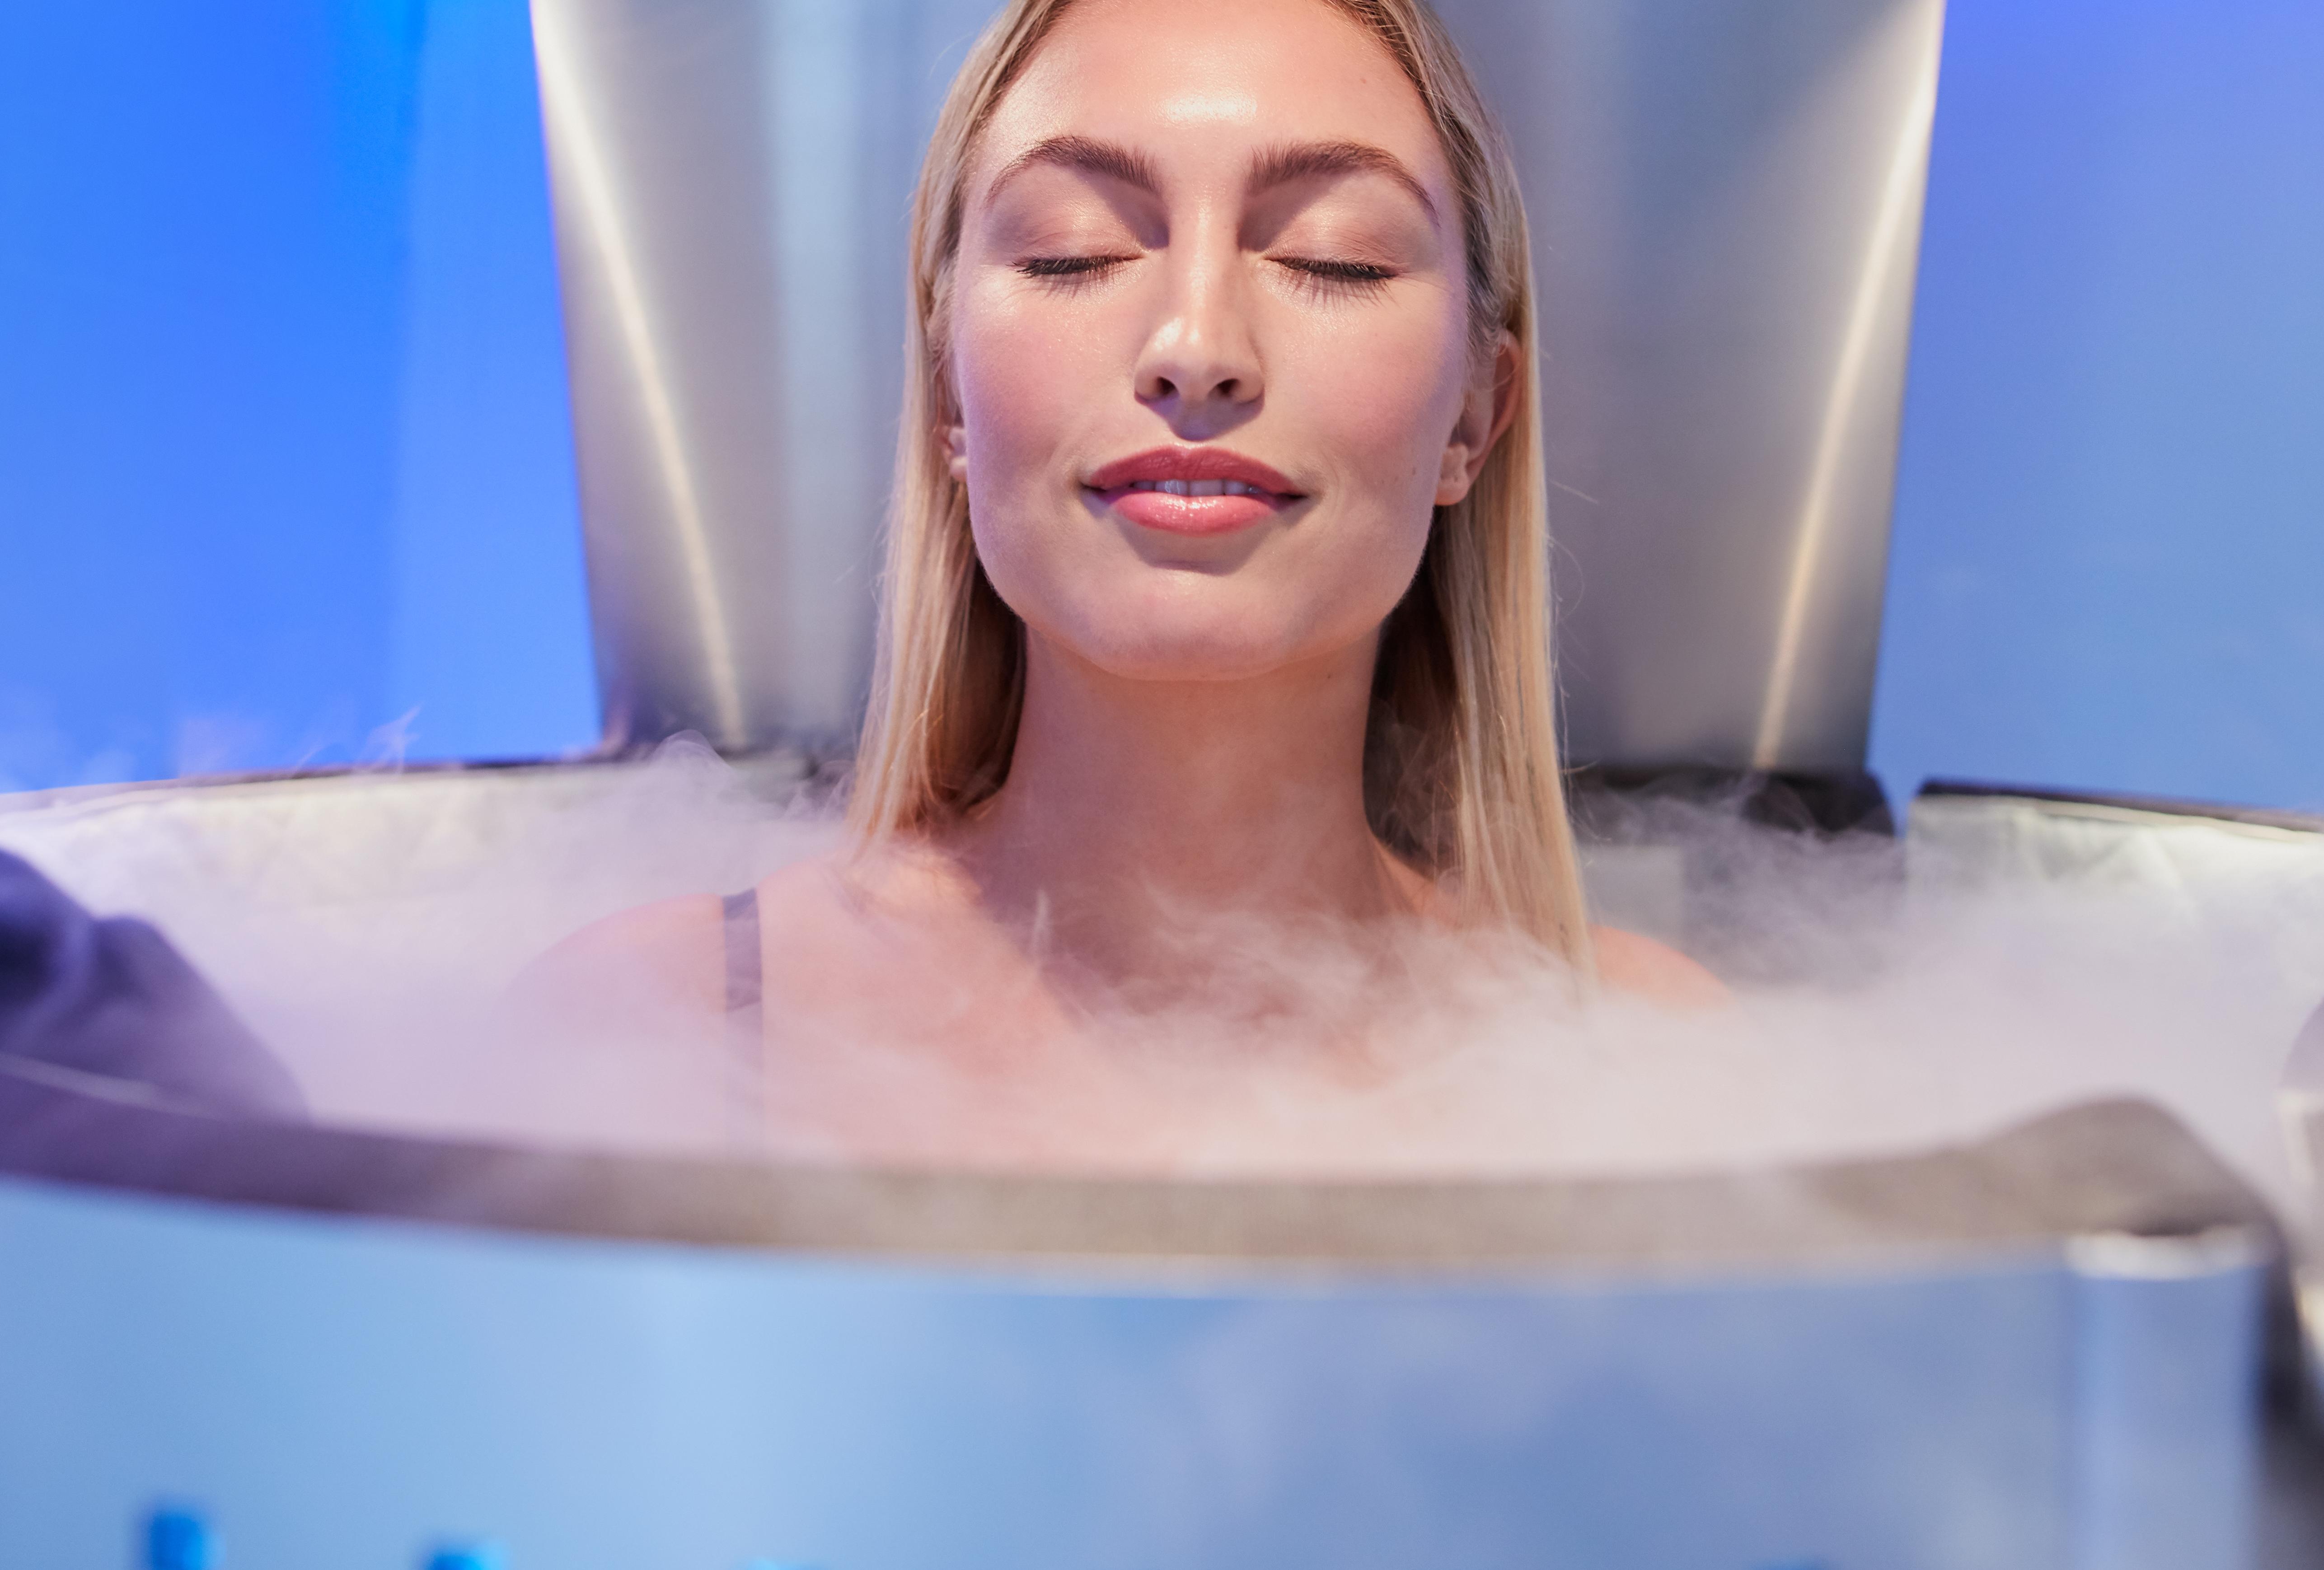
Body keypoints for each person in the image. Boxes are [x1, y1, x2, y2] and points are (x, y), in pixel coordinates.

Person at [528, 0, 1724, 1168]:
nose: (1196, 347)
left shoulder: (1656, 1070)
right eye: (1072, 251)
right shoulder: (651, 1027)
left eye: (1335, 259)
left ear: (1475, 413)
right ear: (950, 396)